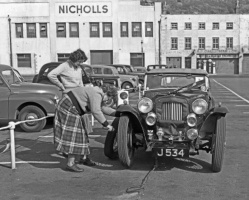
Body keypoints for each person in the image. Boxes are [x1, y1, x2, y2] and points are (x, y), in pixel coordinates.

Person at [54, 85, 115, 172]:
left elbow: (103, 108)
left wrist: (118, 113)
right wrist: (106, 125)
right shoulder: (97, 93)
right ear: (106, 93)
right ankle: (70, 164)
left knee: (82, 133)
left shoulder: (98, 92)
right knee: (74, 136)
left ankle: (83, 158)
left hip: (70, 106)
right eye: (108, 98)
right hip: (68, 107)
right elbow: (96, 111)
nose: (107, 100)